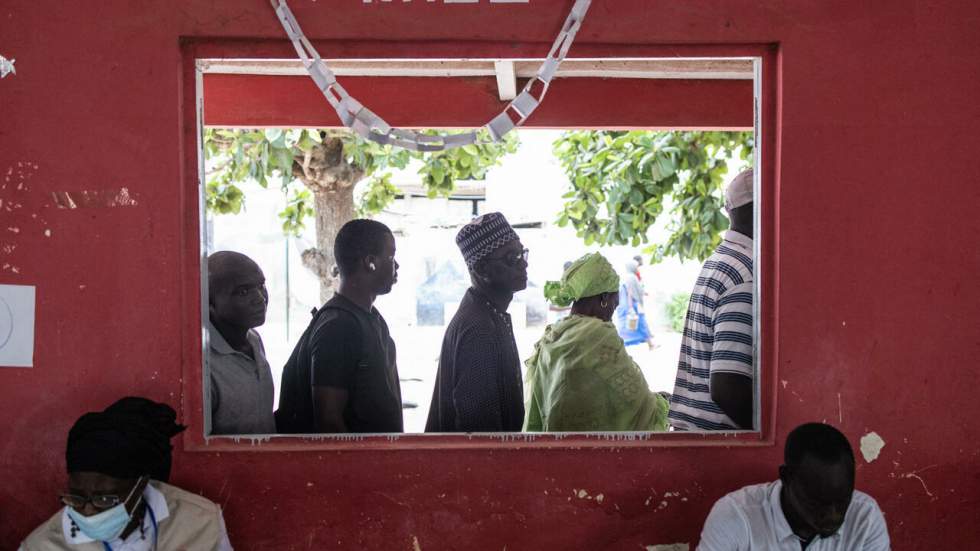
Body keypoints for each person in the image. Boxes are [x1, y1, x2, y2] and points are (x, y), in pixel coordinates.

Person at [19, 397, 233, 551]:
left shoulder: (200, 522)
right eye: (76, 497)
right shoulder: (43, 545)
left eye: (104, 499)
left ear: (140, 485)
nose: (88, 510)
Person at [276, 219, 403, 433]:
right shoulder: (338, 327)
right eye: (391, 256)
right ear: (370, 262)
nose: (396, 265)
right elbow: (329, 421)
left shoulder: (370, 317)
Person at [524, 253, 669, 432]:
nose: (612, 314)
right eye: (614, 305)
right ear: (604, 299)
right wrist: (663, 402)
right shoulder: (599, 335)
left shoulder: (553, 335)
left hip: (553, 446)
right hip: (590, 450)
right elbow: (635, 400)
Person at [697, 422, 890, 550]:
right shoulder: (736, 516)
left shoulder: (865, 518)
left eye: (842, 501)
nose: (833, 515)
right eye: (818, 502)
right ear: (787, 478)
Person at [669, 168, 755, 430]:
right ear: (760, 210)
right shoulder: (746, 273)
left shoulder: (722, 260)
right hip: (716, 442)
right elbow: (727, 386)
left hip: (695, 438)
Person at [425, 212, 527, 432]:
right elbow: (479, 431)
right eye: (512, 258)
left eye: (522, 254)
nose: (523, 264)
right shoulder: (479, 328)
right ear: (482, 269)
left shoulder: (487, 313)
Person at [206, 251, 276, 435]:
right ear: (210, 303)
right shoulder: (204, 364)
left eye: (261, 286)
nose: (260, 299)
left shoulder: (254, 339)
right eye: (243, 292)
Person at [614, 258, 657, 350]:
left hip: (626, 305)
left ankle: (620, 345)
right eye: (637, 267)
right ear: (632, 267)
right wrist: (631, 307)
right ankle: (651, 345)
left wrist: (643, 293)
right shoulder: (631, 277)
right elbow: (630, 292)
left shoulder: (626, 276)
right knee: (641, 323)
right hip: (633, 304)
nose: (638, 269)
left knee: (628, 325)